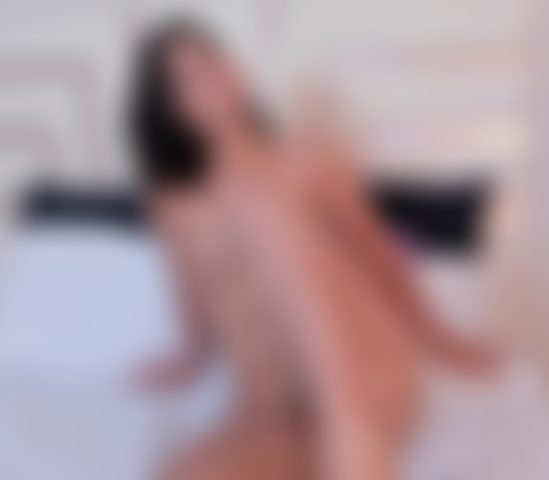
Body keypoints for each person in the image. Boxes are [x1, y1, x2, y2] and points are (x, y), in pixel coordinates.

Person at [128, 19, 500, 480]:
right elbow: (193, 301)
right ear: (173, 110)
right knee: (182, 473)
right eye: (188, 79)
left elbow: (381, 256)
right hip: (273, 409)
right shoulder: (174, 206)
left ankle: (354, 435)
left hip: (366, 381)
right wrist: (185, 359)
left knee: (261, 211)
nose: (210, 80)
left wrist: (443, 340)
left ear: (240, 74)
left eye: (212, 64)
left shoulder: (312, 158)